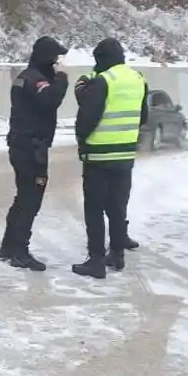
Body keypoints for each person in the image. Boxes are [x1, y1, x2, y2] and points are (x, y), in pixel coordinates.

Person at [71, 37, 148, 279]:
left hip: (98, 156)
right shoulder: (139, 79)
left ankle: (95, 260)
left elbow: (87, 118)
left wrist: (81, 141)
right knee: (117, 207)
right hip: (125, 155)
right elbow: (143, 117)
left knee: (94, 208)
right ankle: (117, 254)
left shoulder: (104, 80)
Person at [0, 36, 69, 271]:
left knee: (23, 197)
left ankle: (8, 247)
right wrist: (62, 78)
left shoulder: (25, 77)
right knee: (31, 199)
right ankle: (20, 251)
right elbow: (50, 100)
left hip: (23, 145)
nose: (58, 63)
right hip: (31, 148)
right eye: (56, 59)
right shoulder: (35, 80)